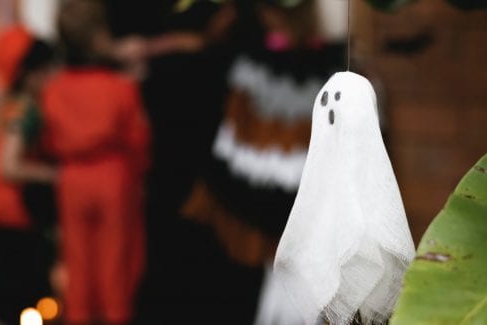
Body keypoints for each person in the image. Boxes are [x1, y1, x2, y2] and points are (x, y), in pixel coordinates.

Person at [181, 0, 346, 323]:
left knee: (286, 278)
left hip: (270, 190)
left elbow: (235, 132)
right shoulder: (330, 65)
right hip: (300, 190)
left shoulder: (258, 65)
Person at [33, 0, 150, 323]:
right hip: (114, 177)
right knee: (116, 266)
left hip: (71, 179)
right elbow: (139, 140)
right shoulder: (121, 88)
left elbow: (48, 140)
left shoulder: (53, 90)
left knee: (78, 264)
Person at [0, 25, 57, 324]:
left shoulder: (13, 104)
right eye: (45, 71)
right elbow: (9, 165)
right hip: (11, 212)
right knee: (11, 297)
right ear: (28, 74)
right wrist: (53, 174)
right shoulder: (26, 110)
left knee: (5, 293)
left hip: (0, 210)